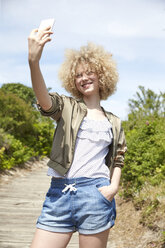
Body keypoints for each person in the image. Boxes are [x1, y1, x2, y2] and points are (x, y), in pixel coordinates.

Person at [28, 26, 127, 248]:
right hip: (59, 194)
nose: (84, 78)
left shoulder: (114, 121)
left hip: (96, 194)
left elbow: (119, 157)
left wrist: (113, 188)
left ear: (102, 75)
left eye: (89, 72)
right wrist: (33, 62)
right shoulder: (67, 107)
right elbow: (45, 101)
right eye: (78, 74)